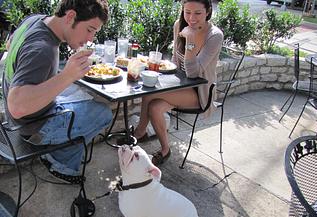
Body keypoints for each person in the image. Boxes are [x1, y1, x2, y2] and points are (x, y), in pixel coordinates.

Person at [2, 0, 113, 184]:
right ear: (70, 17)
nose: (90, 39)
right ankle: (60, 163)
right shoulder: (43, 48)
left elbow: (9, 44)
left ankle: (60, 151)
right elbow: (17, 107)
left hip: (21, 117)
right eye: (89, 29)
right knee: (103, 113)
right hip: (32, 125)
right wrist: (67, 76)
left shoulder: (35, 20)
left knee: (84, 98)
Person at [133, 0, 223, 165]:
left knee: (150, 91)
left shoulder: (215, 35)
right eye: (187, 12)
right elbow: (175, 60)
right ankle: (165, 149)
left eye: (197, 13)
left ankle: (139, 133)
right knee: (154, 106)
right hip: (179, 85)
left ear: (208, 11)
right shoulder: (179, 25)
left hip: (200, 92)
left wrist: (190, 42)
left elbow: (193, 72)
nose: (191, 18)